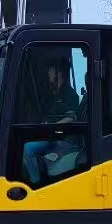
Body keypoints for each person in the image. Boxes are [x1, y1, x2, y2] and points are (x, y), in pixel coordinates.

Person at [21, 55, 85, 185]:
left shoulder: (70, 94)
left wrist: (53, 126)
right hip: (51, 137)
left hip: (63, 139)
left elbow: (71, 117)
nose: (48, 73)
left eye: (50, 70)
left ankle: (35, 183)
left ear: (59, 73)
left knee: (27, 149)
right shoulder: (53, 93)